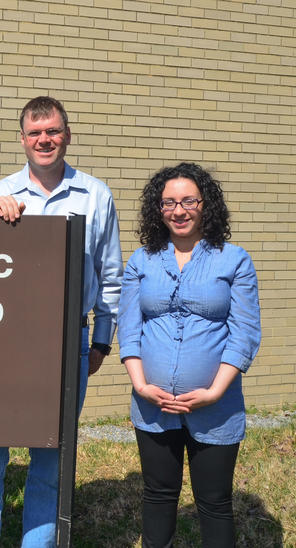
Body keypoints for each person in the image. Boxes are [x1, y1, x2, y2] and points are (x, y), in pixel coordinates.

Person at [0, 96, 122, 547]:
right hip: (2, 342)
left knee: (50, 457)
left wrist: (102, 342)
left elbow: (111, 276)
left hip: (68, 338)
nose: (44, 140)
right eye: (35, 132)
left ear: (67, 134)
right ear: (23, 139)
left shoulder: (96, 195)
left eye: (52, 131)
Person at [118, 162, 260, 547]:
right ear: (157, 209)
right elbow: (129, 331)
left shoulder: (234, 260)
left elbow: (245, 333)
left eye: (188, 201)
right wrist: (142, 385)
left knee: (214, 502)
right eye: (168, 203)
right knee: (158, 496)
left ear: (205, 204)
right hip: (153, 406)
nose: (178, 211)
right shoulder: (141, 260)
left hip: (216, 407)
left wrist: (214, 392)